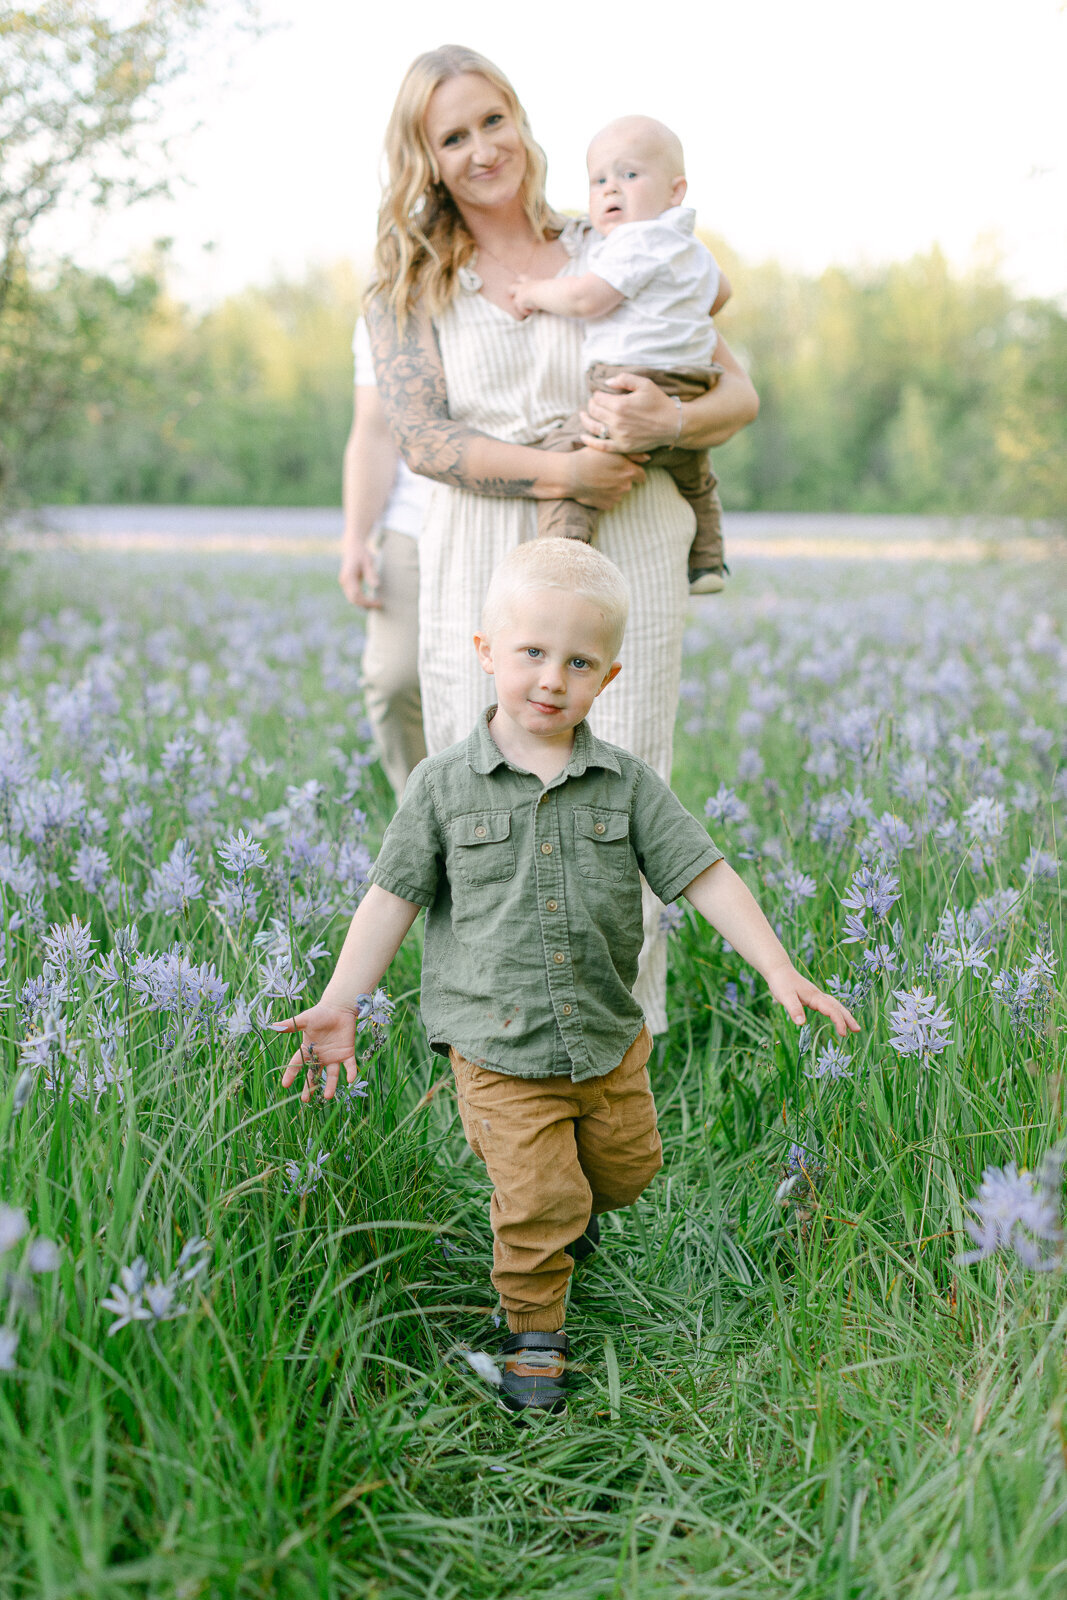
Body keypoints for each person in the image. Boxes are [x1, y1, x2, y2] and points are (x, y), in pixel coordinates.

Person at [275, 540, 859, 1416]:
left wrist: (778, 966)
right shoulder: (440, 788)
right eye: (532, 654)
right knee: (541, 1199)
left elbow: (703, 874)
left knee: (623, 1174)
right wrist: (339, 1001)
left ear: (607, 677)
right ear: (484, 652)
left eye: (577, 662)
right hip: (497, 1045)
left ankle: (562, 1218)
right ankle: (534, 1339)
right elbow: (388, 900)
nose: (552, 678)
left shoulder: (625, 785)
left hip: (604, 1035)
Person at [364, 44, 759, 1034]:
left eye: (493, 119)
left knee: (622, 796)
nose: (482, 147)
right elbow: (421, 439)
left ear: (520, 122)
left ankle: (617, 1059)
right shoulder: (407, 282)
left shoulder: (616, 240)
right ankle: (491, 1055)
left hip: (626, 542)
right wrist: (558, 472)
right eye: (452, 136)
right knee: (484, 813)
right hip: (485, 562)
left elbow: (738, 390)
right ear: (426, 160)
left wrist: (663, 427)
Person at [512, 114, 732, 595]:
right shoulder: (689, 246)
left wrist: (533, 292)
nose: (612, 189)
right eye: (599, 180)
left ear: (676, 191)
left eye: (630, 175)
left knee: (571, 451)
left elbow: (585, 300)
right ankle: (709, 563)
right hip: (694, 381)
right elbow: (721, 294)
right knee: (695, 475)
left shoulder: (635, 241)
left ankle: (562, 564)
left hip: (629, 380)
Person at [339, 316, 431, 801]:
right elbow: (373, 431)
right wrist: (356, 536)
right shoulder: (388, 303)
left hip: (511, 507)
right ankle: (423, 823)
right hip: (414, 519)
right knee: (392, 677)